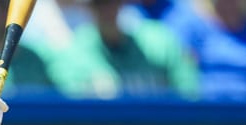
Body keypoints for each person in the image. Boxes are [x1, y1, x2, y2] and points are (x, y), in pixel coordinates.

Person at [46, 0, 199, 98]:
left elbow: (189, 93)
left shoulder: (159, 40)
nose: (107, 10)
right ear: (88, 8)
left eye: (111, 2)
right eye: (99, 4)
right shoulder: (74, 51)